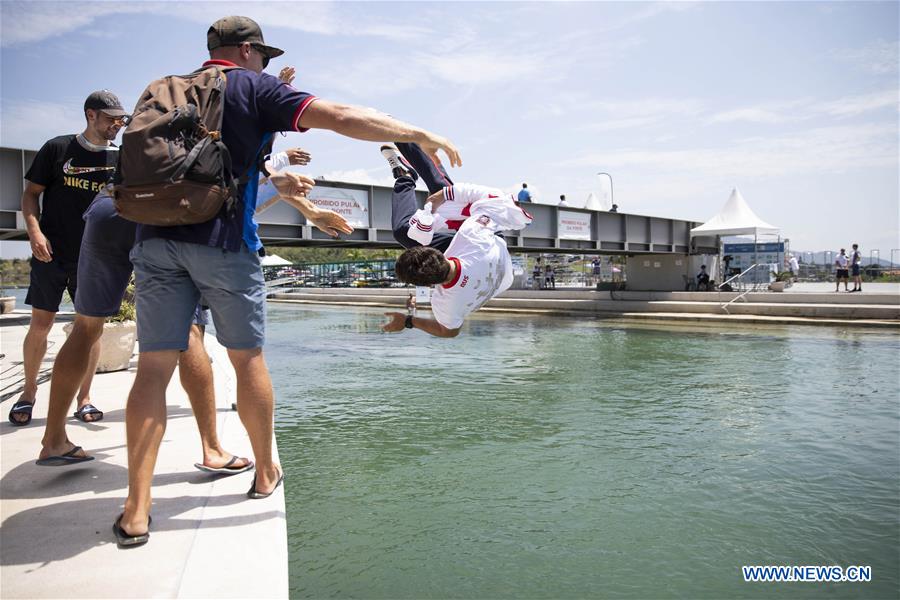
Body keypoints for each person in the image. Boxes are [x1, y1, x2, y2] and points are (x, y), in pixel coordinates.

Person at [115, 15, 461, 545]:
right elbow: (342, 117)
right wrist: (418, 134)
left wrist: (308, 208)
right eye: (266, 57)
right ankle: (264, 471)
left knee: (154, 369)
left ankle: (137, 510)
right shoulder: (252, 85)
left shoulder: (163, 88)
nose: (268, 65)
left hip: (153, 238)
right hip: (223, 244)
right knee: (247, 358)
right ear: (249, 50)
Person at [35, 190, 252, 478]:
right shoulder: (214, 143)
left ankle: (53, 440)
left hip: (109, 206)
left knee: (86, 326)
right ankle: (212, 449)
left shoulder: (142, 142)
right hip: (165, 213)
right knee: (189, 331)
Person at [8, 91, 126, 427]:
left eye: (120, 119)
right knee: (40, 325)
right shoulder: (57, 148)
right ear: (91, 115)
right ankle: (28, 393)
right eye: (111, 118)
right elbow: (31, 195)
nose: (117, 124)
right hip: (51, 252)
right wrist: (34, 233)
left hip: (95, 258)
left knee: (90, 331)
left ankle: (84, 398)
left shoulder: (121, 159)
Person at [380, 144, 532, 337]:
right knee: (442, 197)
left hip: (500, 269)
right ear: (440, 252)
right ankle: (405, 156)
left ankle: (407, 167)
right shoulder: (473, 236)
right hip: (490, 243)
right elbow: (492, 199)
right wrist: (445, 195)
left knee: (406, 233)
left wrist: (409, 321)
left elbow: (450, 332)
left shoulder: (447, 306)